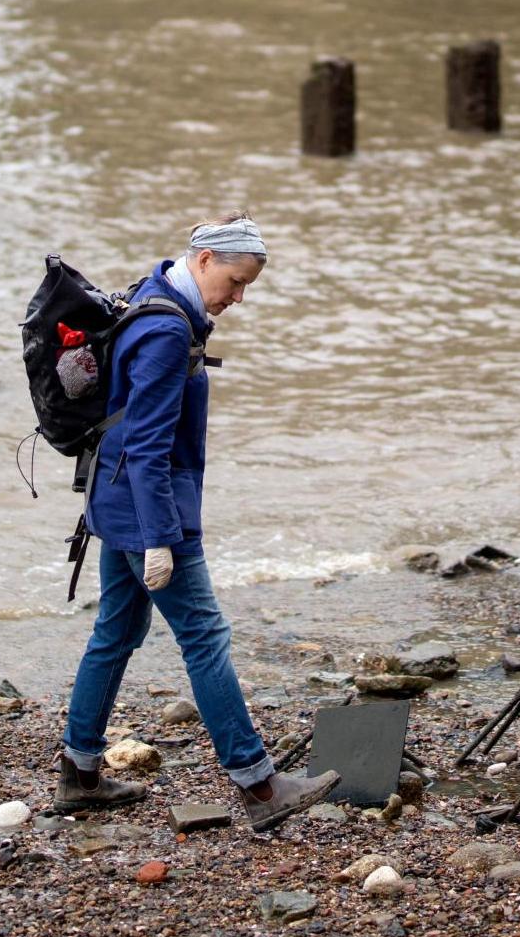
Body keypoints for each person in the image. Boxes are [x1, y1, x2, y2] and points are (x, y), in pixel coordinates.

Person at [52, 214, 340, 832]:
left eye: (247, 288)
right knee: (205, 638)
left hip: (115, 496)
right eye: (235, 282)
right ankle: (260, 787)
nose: (238, 298)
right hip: (150, 512)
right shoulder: (164, 332)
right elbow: (151, 447)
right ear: (204, 260)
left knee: (116, 632)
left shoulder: (152, 291)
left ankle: (78, 774)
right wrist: (161, 540)